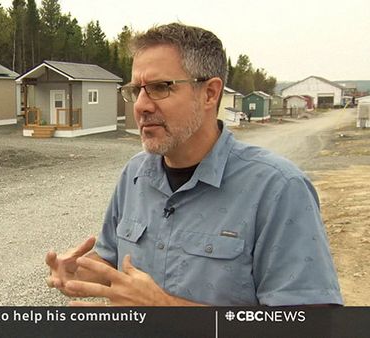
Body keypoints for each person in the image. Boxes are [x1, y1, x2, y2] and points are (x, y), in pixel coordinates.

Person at [45, 23, 343, 306]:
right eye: (137, 90)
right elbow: (111, 258)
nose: (141, 105)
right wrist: (79, 271)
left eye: (160, 87)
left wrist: (167, 310)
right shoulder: (134, 175)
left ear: (210, 93)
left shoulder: (278, 188)